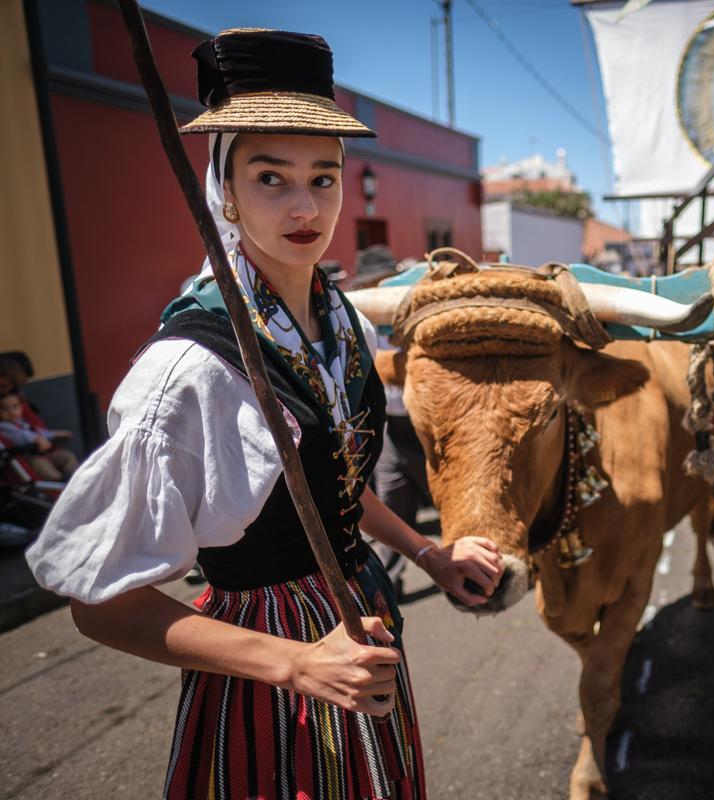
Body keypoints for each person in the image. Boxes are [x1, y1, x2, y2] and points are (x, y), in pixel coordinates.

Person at [25, 29, 503, 799]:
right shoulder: (191, 371)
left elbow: (332, 478)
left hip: (359, 637)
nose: (305, 206)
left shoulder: (341, 319)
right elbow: (98, 606)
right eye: (270, 177)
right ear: (224, 189)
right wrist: (296, 663)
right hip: (269, 678)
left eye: (324, 177)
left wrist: (427, 554)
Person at [0, 390, 77, 480]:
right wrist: (37, 439)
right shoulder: (4, 427)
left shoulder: (22, 423)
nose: (12, 412)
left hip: (43, 453)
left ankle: (74, 479)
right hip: (28, 457)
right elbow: (22, 436)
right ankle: (58, 483)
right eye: (5, 409)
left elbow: (39, 432)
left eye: (15, 407)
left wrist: (54, 434)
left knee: (67, 457)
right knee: (42, 465)